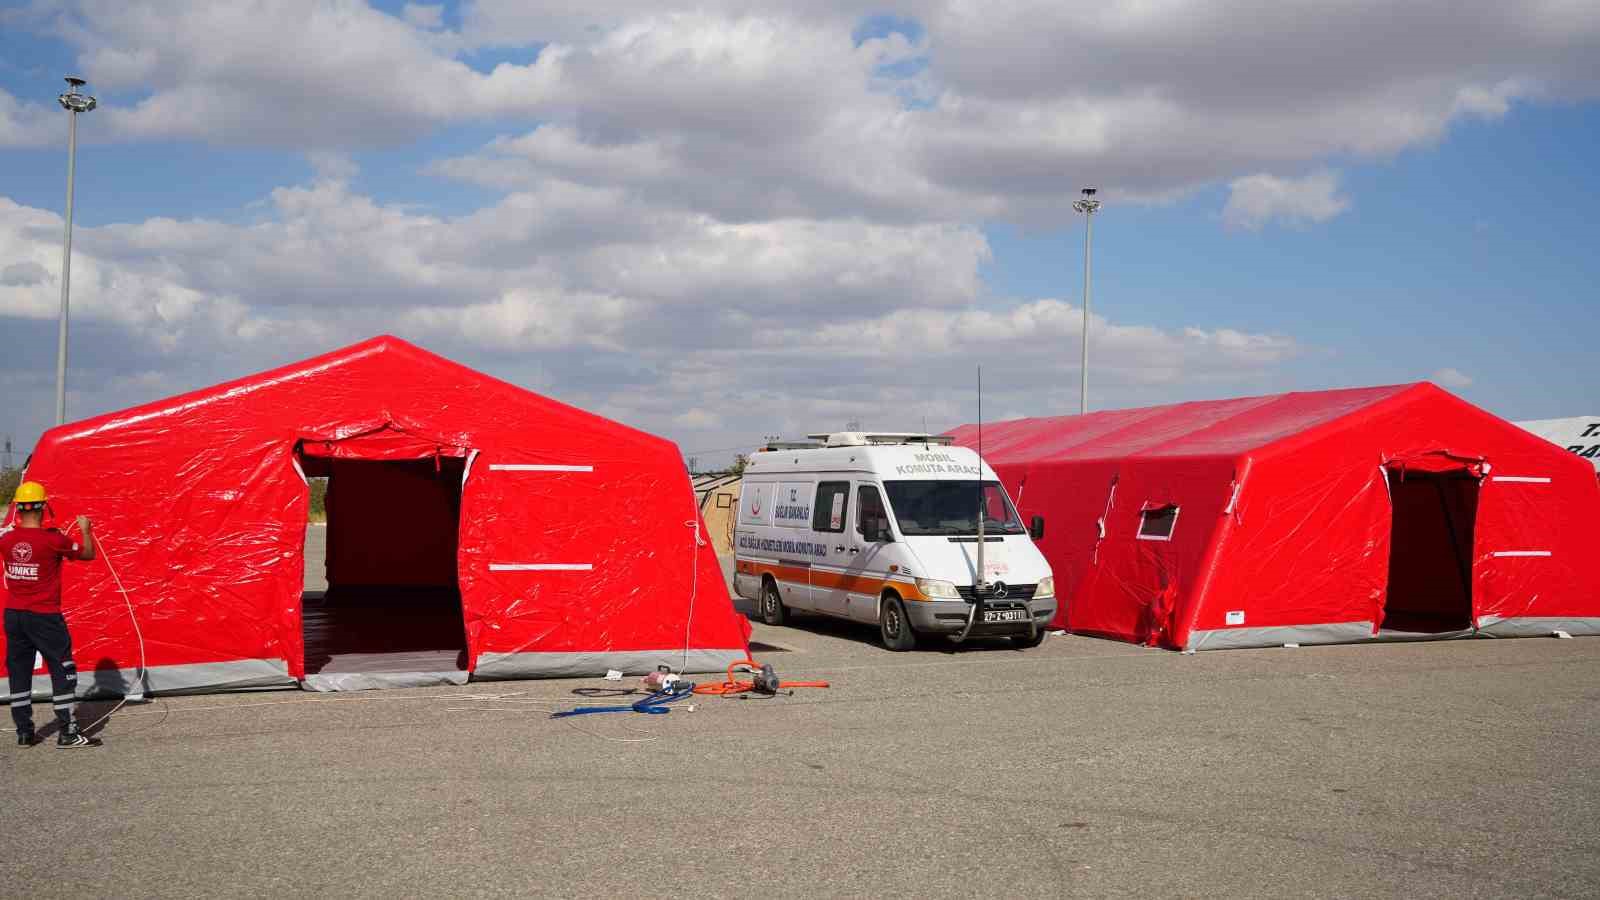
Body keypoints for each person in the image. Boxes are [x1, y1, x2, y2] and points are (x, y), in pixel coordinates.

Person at [3, 480, 96, 748]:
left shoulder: (7, 540)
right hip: (44, 616)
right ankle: (68, 732)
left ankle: (24, 731)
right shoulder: (54, 539)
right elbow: (88, 554)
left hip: (14, 615)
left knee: (19, 671)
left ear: (19, 509)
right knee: (62, 667)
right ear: (44, 507)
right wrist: (85, 531)